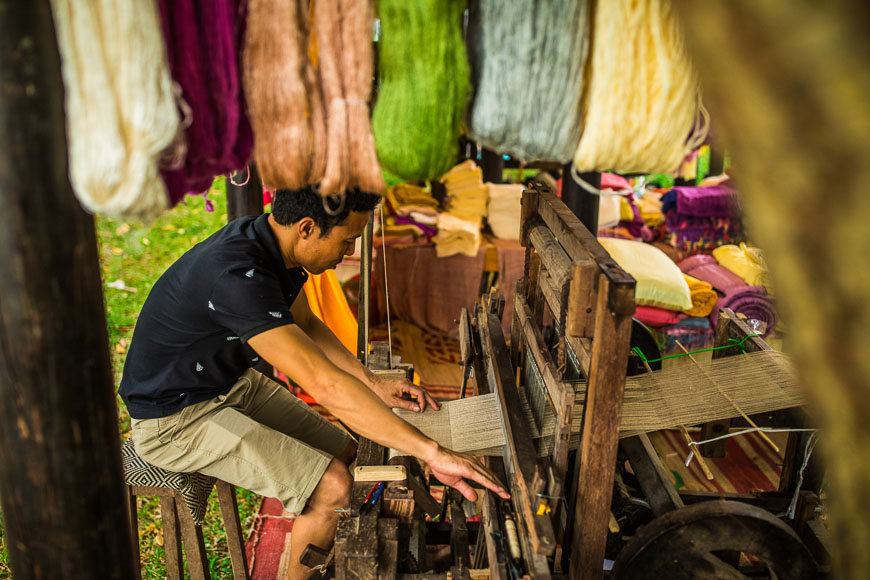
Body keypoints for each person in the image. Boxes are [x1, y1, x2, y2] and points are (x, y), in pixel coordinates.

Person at [119, 187, 509, 579]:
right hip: (174, 420)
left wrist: (371, 382)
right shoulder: (236, 277)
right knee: (333, 489)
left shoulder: (269, 245)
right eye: (347, 239)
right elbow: (326, 387)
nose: (351, 252)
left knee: (348, 455)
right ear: (306, 228)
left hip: (229, 388)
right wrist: (433, 452)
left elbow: (304, 323)